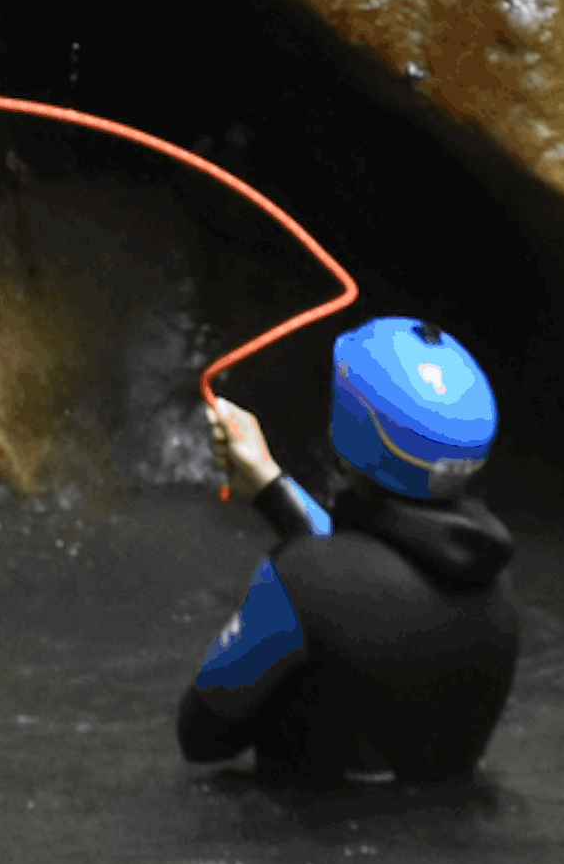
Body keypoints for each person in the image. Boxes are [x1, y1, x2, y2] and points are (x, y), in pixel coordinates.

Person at [176, 315, 519, 783]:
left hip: (302, 842)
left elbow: (202, 735)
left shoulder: (303, 581)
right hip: (451, 838)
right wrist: (268, 485)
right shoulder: (495, 586)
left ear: (355, 431)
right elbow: (367, 568)